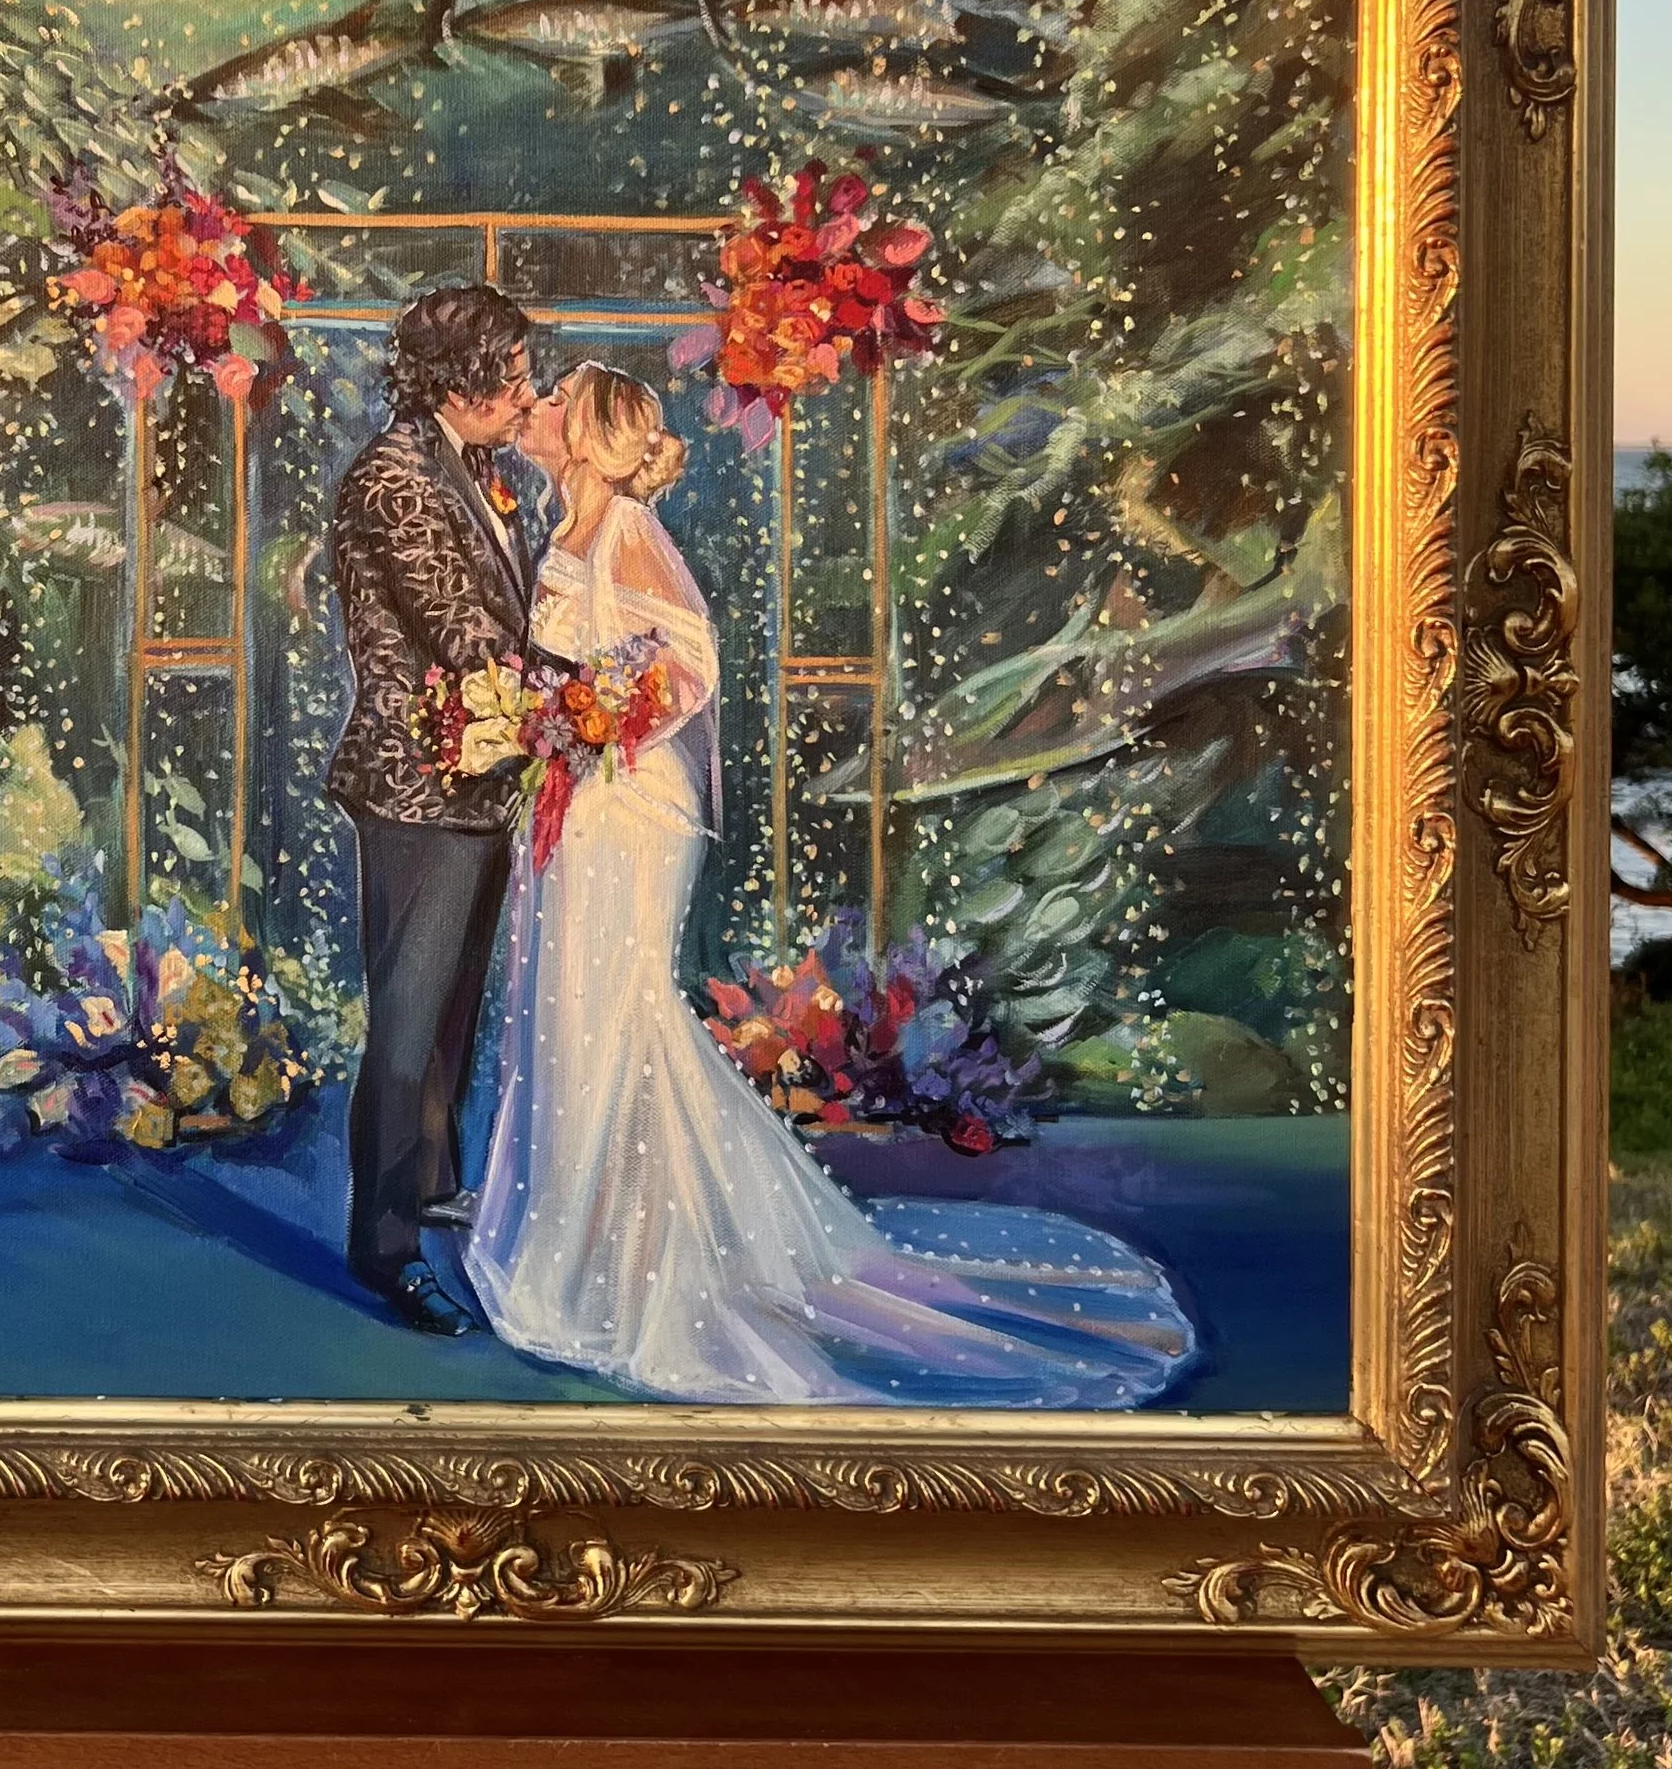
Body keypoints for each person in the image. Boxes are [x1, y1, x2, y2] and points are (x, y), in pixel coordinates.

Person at [463, 364, 1196, 1405]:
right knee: (569, 1015)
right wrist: (546, 721)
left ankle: (631, 1266)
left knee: (612, 1013)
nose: (528, 411)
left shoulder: (627, 530)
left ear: (584, 434)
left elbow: (689, 664)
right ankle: (585, 1244)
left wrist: (592, 719)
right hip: (576, 797)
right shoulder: (561, 530)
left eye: (547, 404)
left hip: (629, 806)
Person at [326, 282, 539, 1334]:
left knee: (453, 1013)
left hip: (480, 784)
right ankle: (386, 1245)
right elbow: (466, 635)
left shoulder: (479, 472)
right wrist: (593, 691)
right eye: (516, 376)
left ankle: (434, 1183)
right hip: (418, 787)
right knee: (408, 1024)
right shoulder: (394, 479)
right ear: (465, 380)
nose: (529, 394)